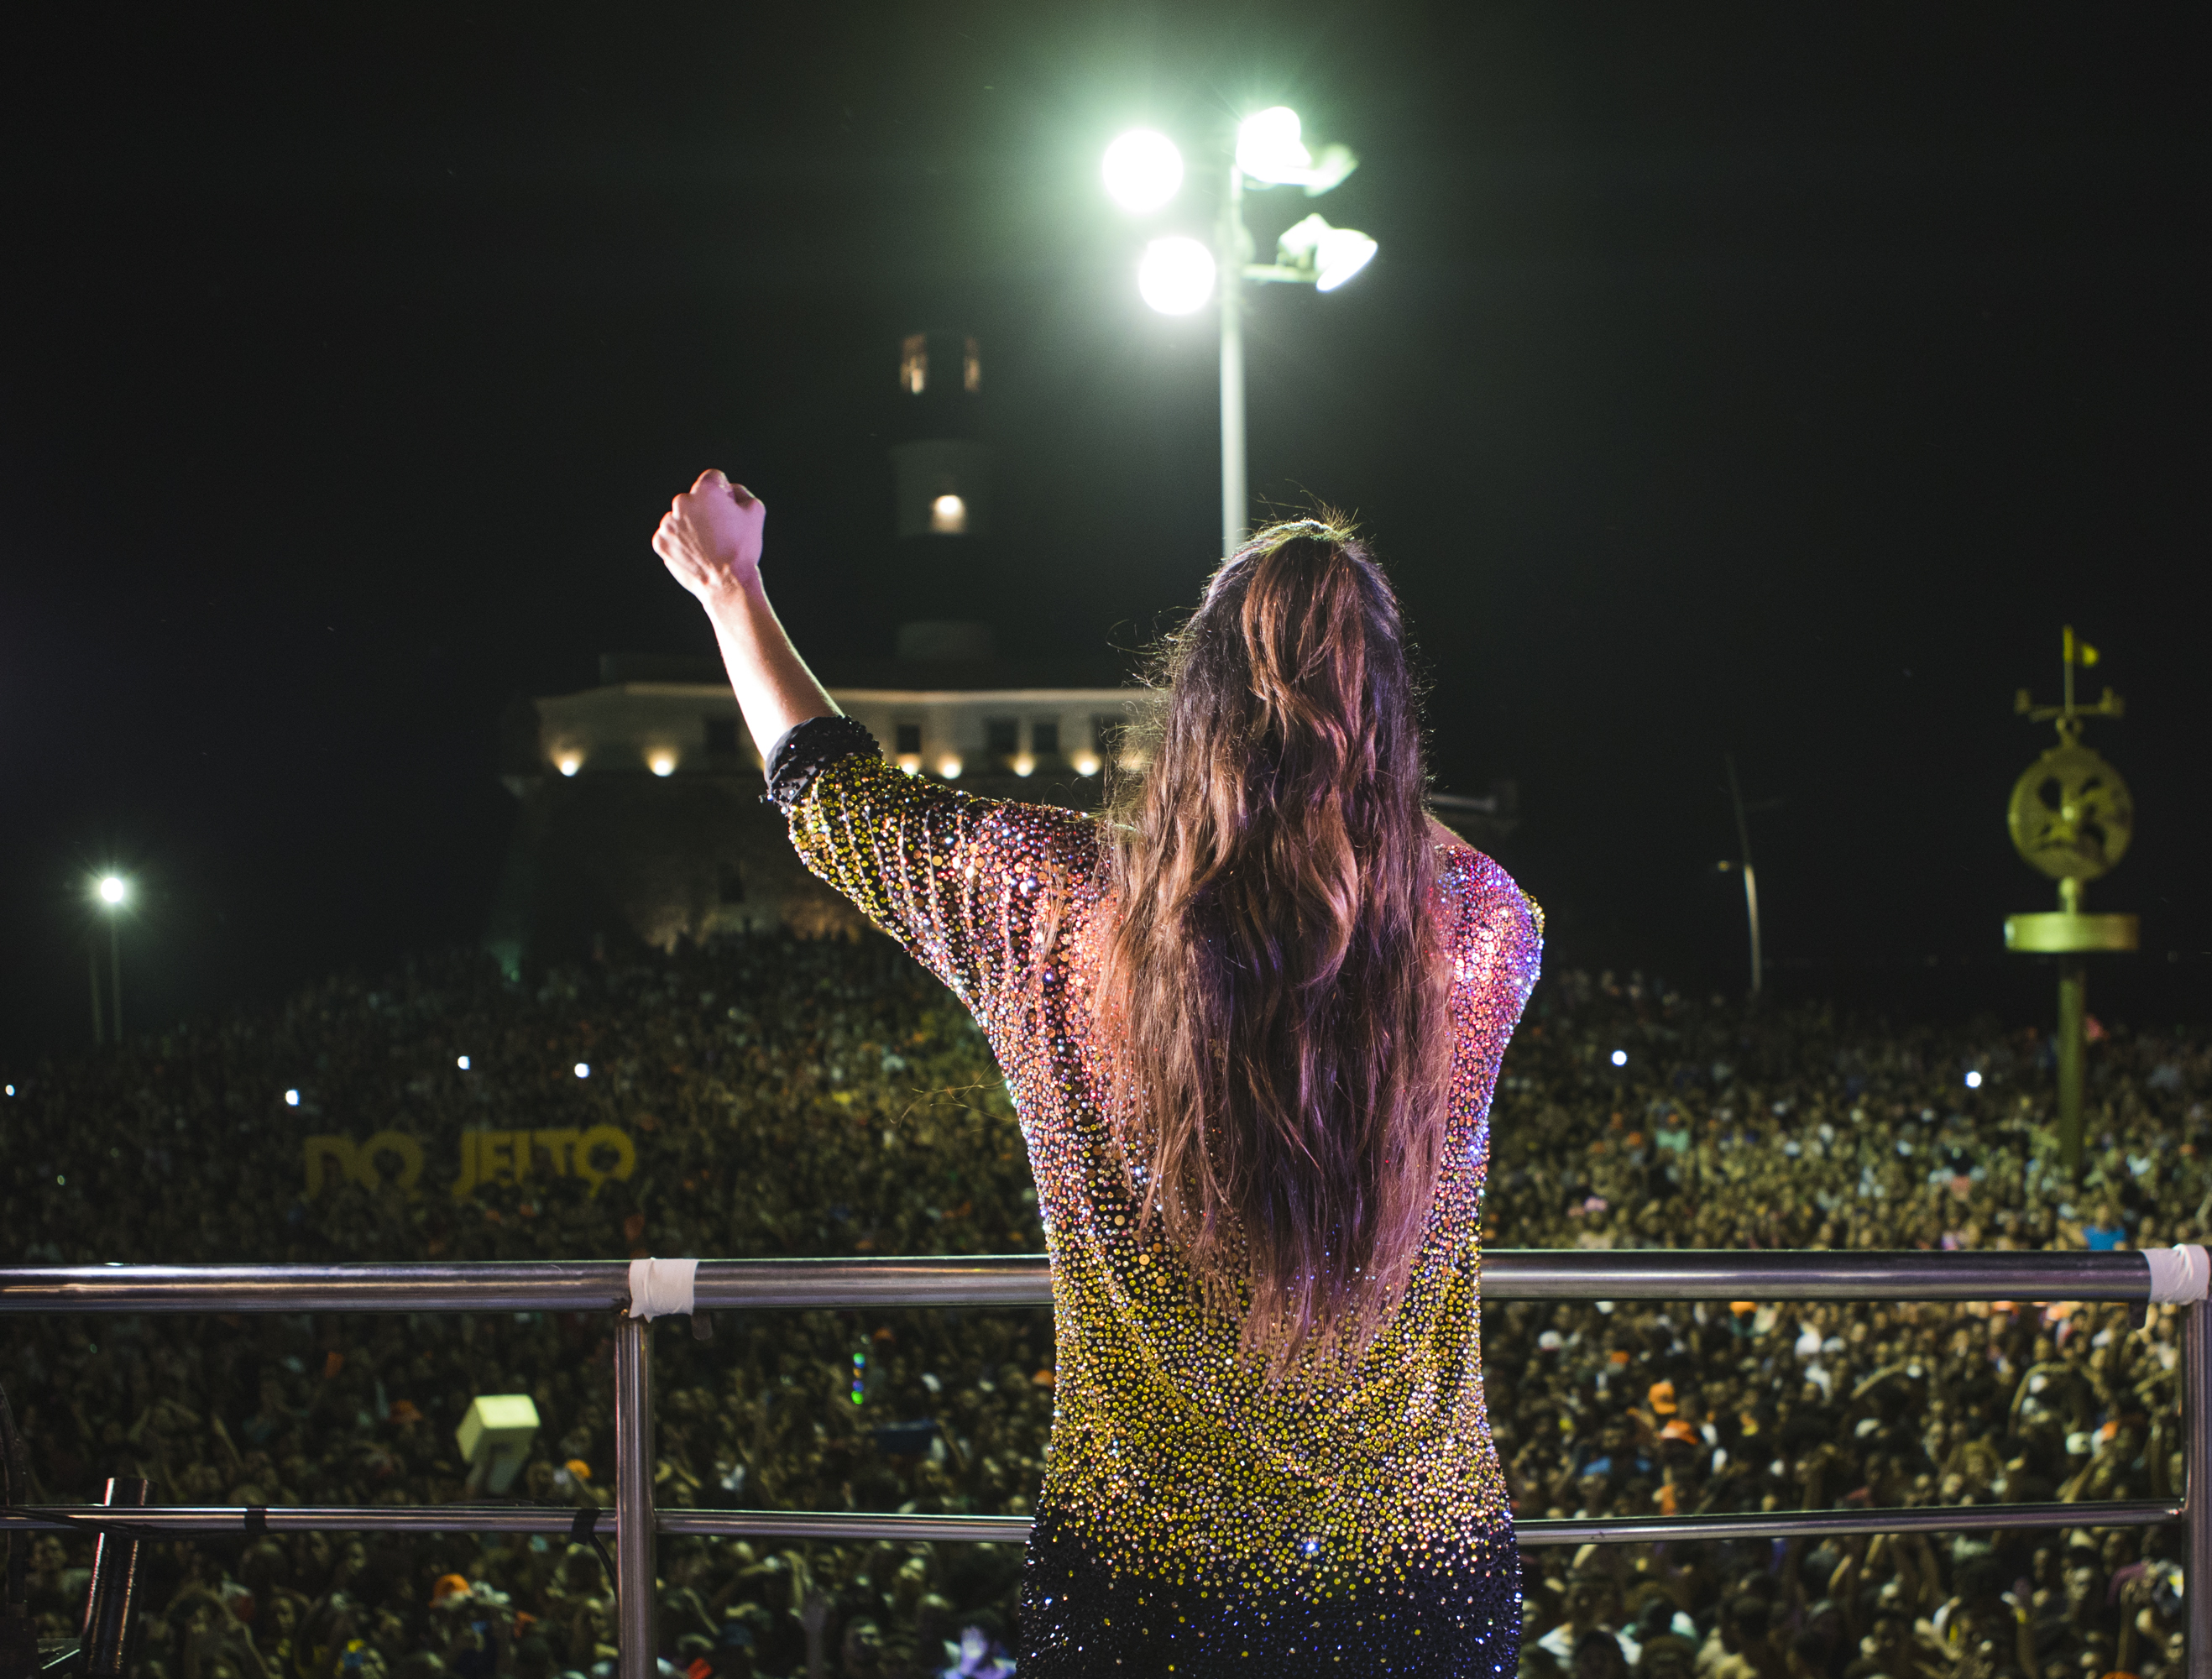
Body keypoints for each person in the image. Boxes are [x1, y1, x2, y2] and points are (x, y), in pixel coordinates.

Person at [655, 468, 1545, 1676]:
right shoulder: (1484, 930)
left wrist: (731, 586)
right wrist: (1353, 748)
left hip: (1145, 1602)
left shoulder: (1059, 912)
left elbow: (829, 794)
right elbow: (1420, 864)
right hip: (1420, 1592)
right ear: (1389, 722)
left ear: (1192, 710)